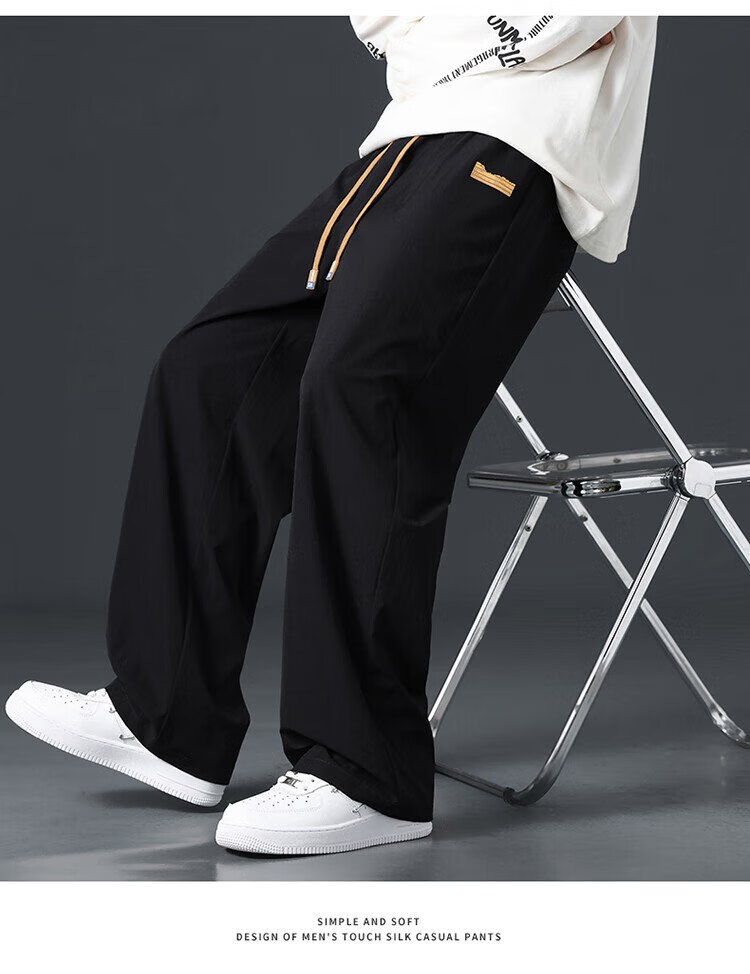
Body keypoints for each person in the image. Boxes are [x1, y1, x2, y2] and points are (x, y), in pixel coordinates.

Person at [5, 16, 658, 856]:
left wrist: (436, 41)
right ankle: (165, 716)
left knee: (364, 389)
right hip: (401, 142)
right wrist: (443, 42)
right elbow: (377, 17)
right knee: (210, 375)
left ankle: (367, 773)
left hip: (522, 143)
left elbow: (563, 22)